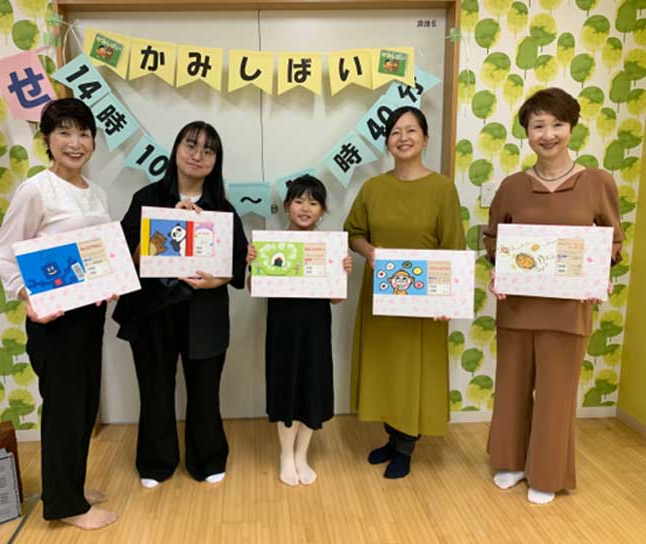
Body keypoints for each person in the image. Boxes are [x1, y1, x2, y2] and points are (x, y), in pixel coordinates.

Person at [484, 87, 624, 504]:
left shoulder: (597, 182)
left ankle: (546, 473)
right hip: (517, 306)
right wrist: (496, 269)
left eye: (557, 124)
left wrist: (601, 272)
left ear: (572, 127)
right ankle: (510, 462)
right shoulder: (512, 186)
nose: (548, 134)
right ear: (527, 132)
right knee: (511, 387)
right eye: (538, 125)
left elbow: (613, 240)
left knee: (556, 394)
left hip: (568, 308)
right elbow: (494, 238)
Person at [0, 98, 117, 530]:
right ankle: (66, 507)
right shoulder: (36, 189)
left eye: (84, 133)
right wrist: (27, 297)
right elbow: (3, 253)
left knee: (84, 406)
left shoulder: (96, 192)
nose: (75, 142)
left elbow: (99, 252)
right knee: (65, 411)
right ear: (47, 139)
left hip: (90, 317)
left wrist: (111, 278)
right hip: (56, 321)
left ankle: (70, 487)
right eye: (64, 132)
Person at [113, 121, 248, 488]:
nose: (197, 155)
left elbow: (237, 263)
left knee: (205, 389)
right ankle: (155, 462)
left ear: (216, 161)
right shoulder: (146, 198)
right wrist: (164, 225)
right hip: (153, 309)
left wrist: (217, 280)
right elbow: (125, 256)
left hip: (205, 311)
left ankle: (208, 458)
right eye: (191, 145)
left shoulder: (222, 209)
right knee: (155, 388)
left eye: (208, 150)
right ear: (175, 150)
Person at [343, 106, 465, 479]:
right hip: (381, 297)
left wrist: (448, 300)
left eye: (411, 130)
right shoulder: (373, 188)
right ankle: (392, 437)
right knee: (386, 368)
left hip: (425, 300)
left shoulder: (442, 188)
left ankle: (406, 448)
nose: (403, 137)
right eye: (395, 132)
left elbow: (454, 247)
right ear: (387, 142)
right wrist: (371, 253)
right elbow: (353, 233)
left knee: (415, 370)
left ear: (425, 138)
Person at [246, 176, 352, 486]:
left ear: (322, 211)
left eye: (314, 203)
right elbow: (253, 289)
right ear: (287, 205)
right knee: (286, 388)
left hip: (315, 329)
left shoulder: (329, 247)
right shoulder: (272, 243)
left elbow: (337, 298)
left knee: (311, 389)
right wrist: (254, 265)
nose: (306, 208)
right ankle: (286, 456)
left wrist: (342, 273)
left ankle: (302, 455)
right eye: (299, 201)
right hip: (283, 329)